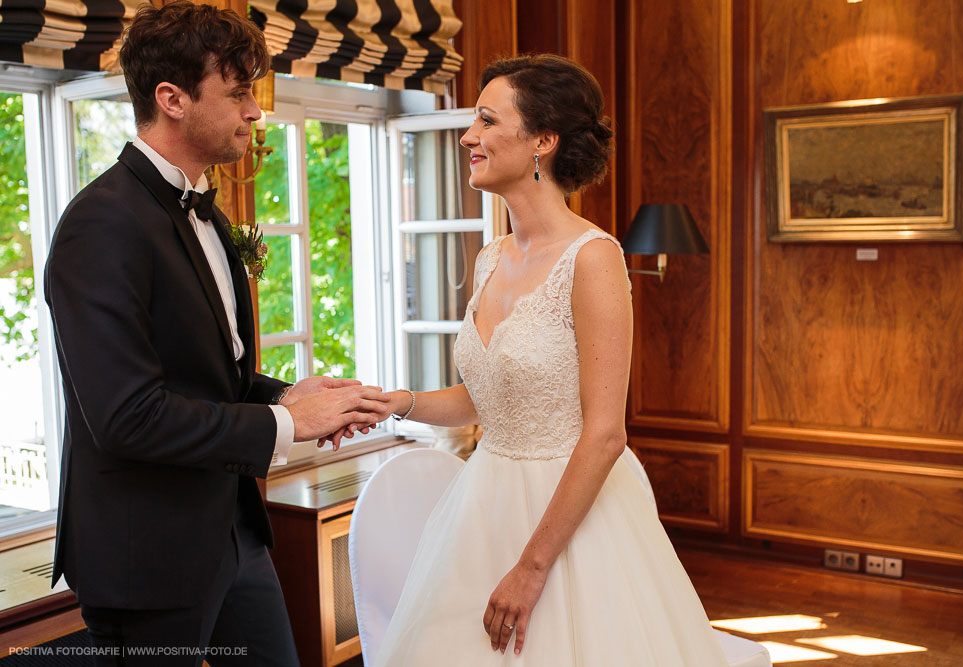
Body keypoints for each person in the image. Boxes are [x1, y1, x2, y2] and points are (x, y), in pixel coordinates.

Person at [43, 3, 391, 664]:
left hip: (235, 533)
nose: (255, 113)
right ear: (171, 99)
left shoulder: (209, 213)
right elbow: (127, 417)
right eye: (237, 95)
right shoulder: (101, 225)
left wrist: (292, 397)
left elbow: (211, 374)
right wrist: (285, 426)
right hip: (147, 557)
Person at [373, 54, 728, 665]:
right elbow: (486, 397)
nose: (467, 136)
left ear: (542, 140)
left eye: (486, 119)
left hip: (572, 518)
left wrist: (532, 568)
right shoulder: (489, 258)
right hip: (482, 509)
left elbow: (606, 433)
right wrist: (393, 404)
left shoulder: (594, 259)